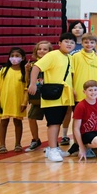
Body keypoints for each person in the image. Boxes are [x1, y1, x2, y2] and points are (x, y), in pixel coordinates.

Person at [27, 32, 77, 163]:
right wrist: (32, 84)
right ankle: (52, 149)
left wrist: (72, 90)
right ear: (59, 43)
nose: (69, 44)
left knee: (58, 121)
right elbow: (36, 67)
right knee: (53, 123)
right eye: (66, 41)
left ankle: (53, 147)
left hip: (63, 95)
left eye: (72, 42)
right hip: (53, 94)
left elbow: (67, 76)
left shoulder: (69, 57)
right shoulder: (52, 55)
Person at [0, 47, 27, 153]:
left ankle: (18, 144)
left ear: (23, 58)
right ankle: (2, 145)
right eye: (12, 56)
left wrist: (24, 102)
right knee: (3, 122)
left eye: (17, 56)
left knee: (18, 122)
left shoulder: (25, 72)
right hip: (5, 101)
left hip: (18, 101)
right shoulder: (3, 71)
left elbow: (26, 88)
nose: (14, 58)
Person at [23, 40, 49, 151]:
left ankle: (52, 143)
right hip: (36, 97)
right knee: (31, 117)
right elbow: (27, 82)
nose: (41, 51)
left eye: (45, 49)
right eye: (39, 49)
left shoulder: (51, 63)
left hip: (49, 96)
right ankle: (35, 139)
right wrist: (27, 71)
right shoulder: (33, 65)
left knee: (51, 121)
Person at [71, 34, 97, 104]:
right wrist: (72, 89)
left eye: (92, 42)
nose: (89, 44)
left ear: (95, 44)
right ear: (82, 43)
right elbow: (71, 75)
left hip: (93, 94)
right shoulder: (75, 56)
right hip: (79, 92)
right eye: (86, 42)